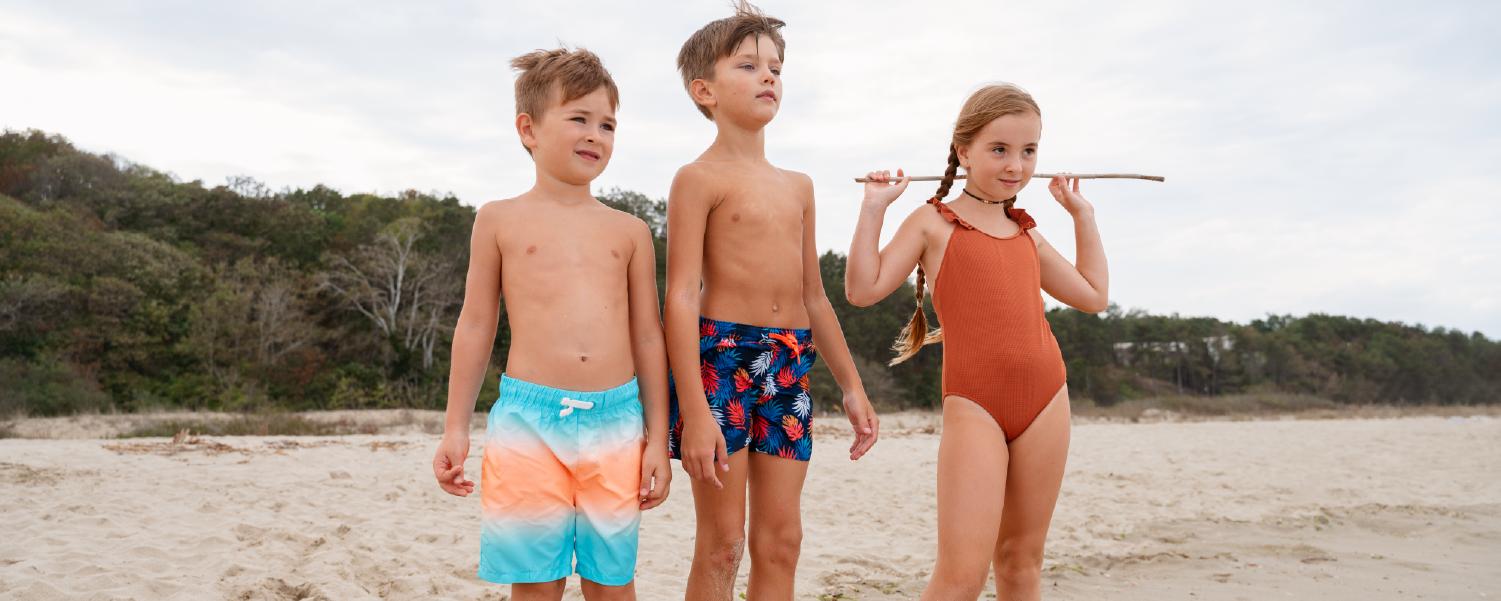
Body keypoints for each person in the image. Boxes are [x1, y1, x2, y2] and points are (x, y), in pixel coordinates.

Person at [844, 83, 1110, 600]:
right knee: (962, 576)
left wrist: (1084, 217)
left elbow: (1094, 296)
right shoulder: (932, 222)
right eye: (999, 149)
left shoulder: (1027, 232)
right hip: (975, 405)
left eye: (1029, 151)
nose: (1017, 164)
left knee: (1020, 564)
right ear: (963, 151)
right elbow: (862, 289)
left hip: (1047, 399)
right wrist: (873, 209)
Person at [431, 47, 671, 601]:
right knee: (536, 584)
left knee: (612, 583)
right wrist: (455, 428)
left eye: (608, 124)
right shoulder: (498, 219)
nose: (596, 135)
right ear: (528, 129)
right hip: (529, 421)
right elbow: (475, 325)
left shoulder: (630, 231)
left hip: (617, 421)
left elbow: (647, 335)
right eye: (579, 119)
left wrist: (657, 438)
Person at [663, 2, 880, 599]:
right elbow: (680, 295)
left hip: (791, 360)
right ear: (702, 89)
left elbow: (813, 294)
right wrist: (696, 411)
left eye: (777, 68)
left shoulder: (799, 186)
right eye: (749, 65)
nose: (769, 77)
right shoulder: (697, 178)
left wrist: (852, 386)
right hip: (721, 360)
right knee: (723, 544)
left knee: (781, 541)